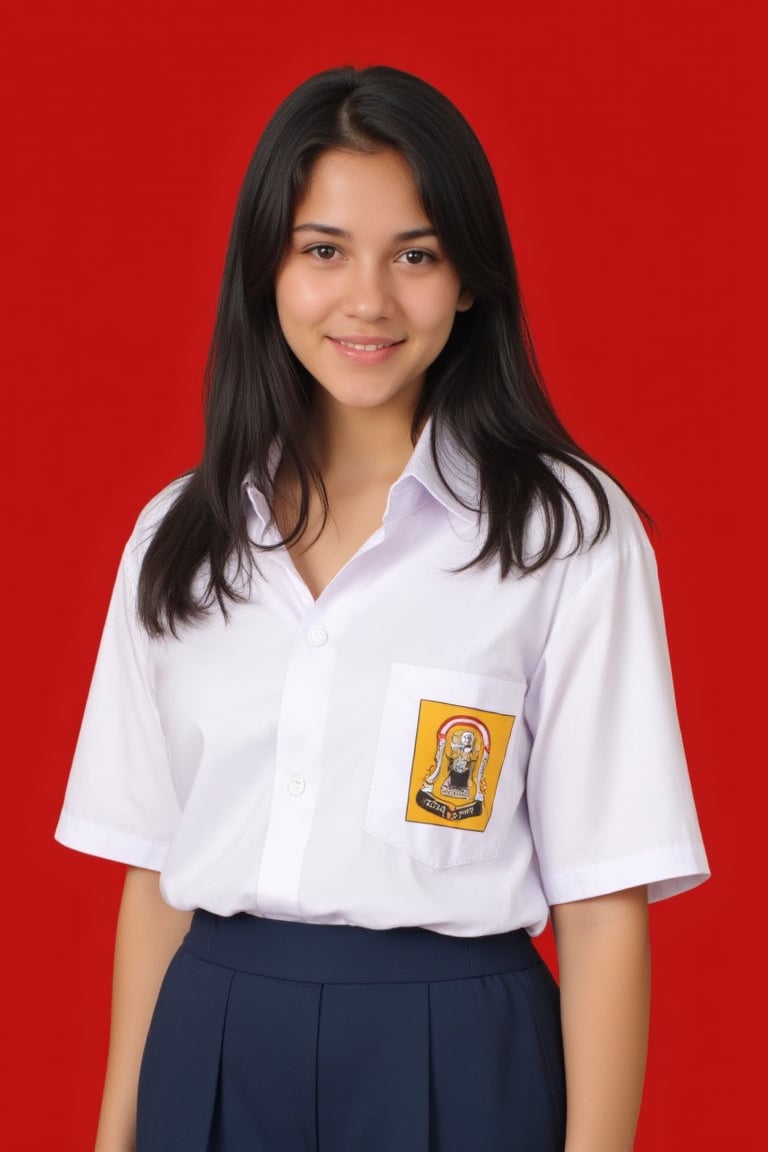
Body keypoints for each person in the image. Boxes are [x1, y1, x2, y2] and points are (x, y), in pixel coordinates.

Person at [55, 64, 709, 1152]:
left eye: (417, 254)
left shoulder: (564, 534)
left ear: (469, 279)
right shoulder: (179, 536)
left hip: (457, 1050)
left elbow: (603, 905)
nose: (369, 299)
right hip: (213, 1036)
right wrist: (115, 1135)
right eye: (324, 250)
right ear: (267, 269)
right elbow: (154, 874)